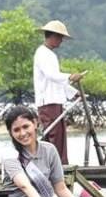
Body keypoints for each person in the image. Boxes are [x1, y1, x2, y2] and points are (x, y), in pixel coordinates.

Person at [0, 105, 77, 197]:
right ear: (11, 133)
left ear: (35, 123)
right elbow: (25, 186)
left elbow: (60, 188)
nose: (22, 133)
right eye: (16, 130)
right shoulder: (9, 153)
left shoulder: (49, 150)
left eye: (26, 126)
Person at [32, 20, 84, 165]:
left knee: (58, 136)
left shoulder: (50, 54)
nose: (61, 41)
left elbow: (56, 80)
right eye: (60, 37)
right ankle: (57, 166)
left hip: (55, 101)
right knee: (54, 137)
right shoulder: (42, 53)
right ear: (52, 36)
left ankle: (57, 165)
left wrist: (73, 93)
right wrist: (70, 77)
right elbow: (51, 75)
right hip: (48, 103)